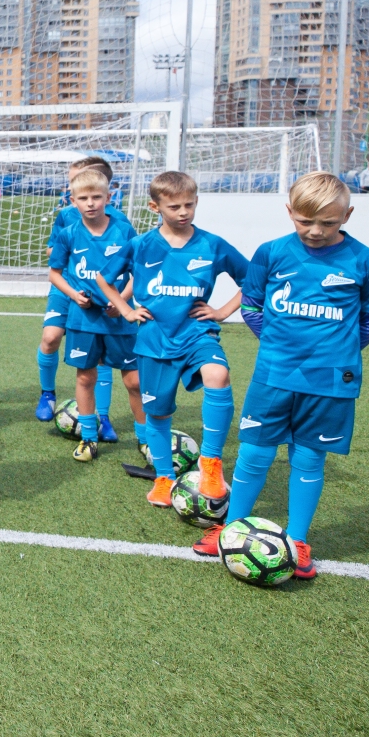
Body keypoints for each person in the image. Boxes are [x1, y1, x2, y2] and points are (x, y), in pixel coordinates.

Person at [191, 172, 369, 579]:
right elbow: (252, 306)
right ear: (289, 212)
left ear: (347, 215)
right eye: (305, 221)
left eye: (329, 223)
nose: (315, 231)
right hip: (274, 374)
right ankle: (232, 528)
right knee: (254, 453)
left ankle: (296, 540)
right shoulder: (271, 253)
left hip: (331, 382)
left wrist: (335, 353)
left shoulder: (366, 261)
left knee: (309, 457)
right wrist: (279, 345)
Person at [98, 171, 249, 506]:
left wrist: (222, 311)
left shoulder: (213, 244)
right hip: (154, 340)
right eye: (175, 206)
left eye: (190, 205)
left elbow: (254, 280)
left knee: (218, 375)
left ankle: (210, 464)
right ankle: (165, 477)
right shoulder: (141, 245)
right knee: (159, 414)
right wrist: (125, 310)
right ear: (155, 207)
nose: (184, 212)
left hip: (198, 333)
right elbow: (103, 278)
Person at [46, 166, 144, 462]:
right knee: (86, 378)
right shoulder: (68, 234)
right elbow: (54, 273)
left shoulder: (124, 230)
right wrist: (74, 295)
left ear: (108, 197)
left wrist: (123, 301)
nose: (90, 203)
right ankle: (89, 438)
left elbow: (137, 272)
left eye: (97, 197)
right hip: (83, 318)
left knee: (134, 381)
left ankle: (146, 439)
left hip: (118, 317)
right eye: (84, 198)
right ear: (72, 200)